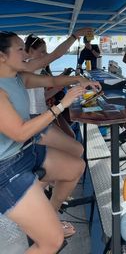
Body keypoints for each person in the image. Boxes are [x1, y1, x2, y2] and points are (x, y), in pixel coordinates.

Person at [0, 31, 101, 253]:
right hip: (5, 170)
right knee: (51, 242)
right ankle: (48, 227)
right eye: (19, 49)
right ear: (1, 57)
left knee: (76, 166)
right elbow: (19, 132)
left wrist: (79, 80)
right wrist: (61, 105)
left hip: (25, 152)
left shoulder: (18, 77)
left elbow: (52, 80)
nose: (25, 53)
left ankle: (50, 215)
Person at [24, 34, 83, 157]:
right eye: (42, 52)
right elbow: (56, 54)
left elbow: (47, 90)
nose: (45, 56)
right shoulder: (28, 67)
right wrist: (75, 36)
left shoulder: (35, 71)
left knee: (71, 136)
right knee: (74, 145)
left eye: (46, 52)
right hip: (35, 117)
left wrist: (68, 82)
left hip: (45, 111)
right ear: (29, 51)